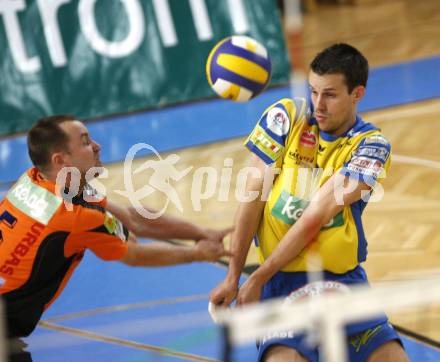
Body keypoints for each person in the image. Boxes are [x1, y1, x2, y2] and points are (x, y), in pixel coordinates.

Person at [210, 43, 409, 361]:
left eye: (329, 94)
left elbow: (316, 214)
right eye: (313, 91)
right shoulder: (286, 117)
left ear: (357, 94)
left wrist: (258, 275)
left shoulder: (370, 146)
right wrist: (234, 275)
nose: (318, 104)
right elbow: (253, 198)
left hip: (343, 284)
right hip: (281, 287)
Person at [0, 115, 231, 357]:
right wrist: (198, 254)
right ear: (60, 160)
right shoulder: (74, 215)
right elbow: (134, 255)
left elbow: (132, 218)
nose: (97, 146)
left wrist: (201, 232)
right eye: (86, 142)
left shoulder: (35, 179)